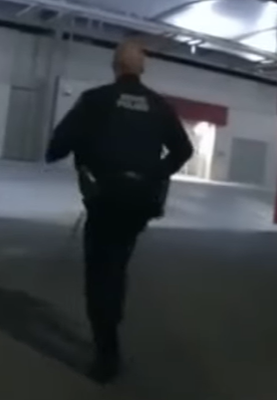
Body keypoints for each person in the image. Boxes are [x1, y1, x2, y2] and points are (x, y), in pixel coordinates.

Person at [45, 38, 193, 383]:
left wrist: (81, 151)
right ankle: (111, 328)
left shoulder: (95, 100)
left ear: (115, 67)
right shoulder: (159, 106)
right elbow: (183, 150)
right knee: (118, 264)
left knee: (100, 273)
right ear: (142, 68)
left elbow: (57, 147)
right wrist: (153, 174)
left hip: (104, 200)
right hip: (140, 203)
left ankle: (107, 353)